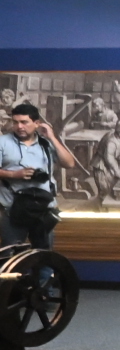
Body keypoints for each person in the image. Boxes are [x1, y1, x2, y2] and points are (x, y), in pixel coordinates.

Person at [0, 102, 80, 249]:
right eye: (15, 122)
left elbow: (69, 163)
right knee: (9, 255)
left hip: (42, 209)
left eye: (24, 122)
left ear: (36, 123)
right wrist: (14, 174)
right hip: (13, 208)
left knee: (44, 255)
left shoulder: (46, 143)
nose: (19, 126)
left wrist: (52, 137)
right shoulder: (2, 142)